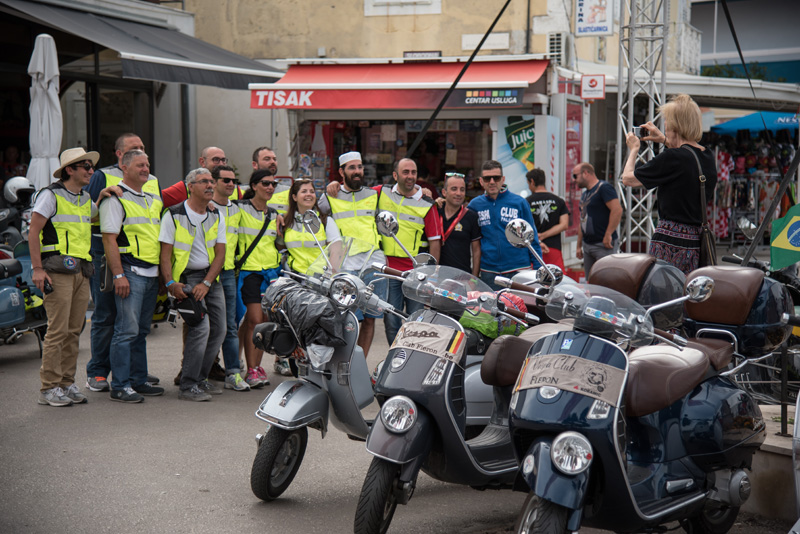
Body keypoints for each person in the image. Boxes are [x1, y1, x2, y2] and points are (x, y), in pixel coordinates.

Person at [84, 133, 161, 393]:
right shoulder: (103, 178)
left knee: (136, 329)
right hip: (110, 259)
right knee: (107, 317)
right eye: (135, 152)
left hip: (145, 265)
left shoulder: (152, 183)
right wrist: (117, 273)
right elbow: (91, 217)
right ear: (121, 157)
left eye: (143, 150)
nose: (143, 160)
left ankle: (133, 375)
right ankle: (99, 373)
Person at [29, 148, 98, 406]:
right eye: (86, 166)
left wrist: (106, 195)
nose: (91, 171)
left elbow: (97, 215)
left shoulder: (85, 196)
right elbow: (33, 231)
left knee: (73, 331)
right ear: (70, 169)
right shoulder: (51, 195)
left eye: (91, 167)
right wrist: (37, 269)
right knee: (57, 331)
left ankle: (66, 383)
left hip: (81, 270)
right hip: (56, 270)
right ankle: (49, 388)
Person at [621, 94, 717, 274]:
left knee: (665, 295)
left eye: (667, 121)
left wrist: (634, 149)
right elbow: (686, 159)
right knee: (688, 294)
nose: (664, 125)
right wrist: (664, 141)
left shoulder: (673, 158)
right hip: (695, 242)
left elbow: (628, 178)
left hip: (670, 242)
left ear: (676, 125)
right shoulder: (707, 155)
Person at [100, 149, 165, 402]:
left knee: (140, 331)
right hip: (130, 271)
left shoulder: (153, 198)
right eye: (139, 165)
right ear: (124, 168)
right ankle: (119, 386)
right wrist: (118, 276)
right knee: (126, 331)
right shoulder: (115, 198)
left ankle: (138, 381)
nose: (146, 169)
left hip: (150, 273)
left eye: (147, 164)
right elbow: (109, 239)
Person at [159, 168, 227, 401]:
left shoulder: (216, 214)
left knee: (220, 330)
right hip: (186, 280)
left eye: (211, 181)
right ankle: (188, 385)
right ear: (190, 186)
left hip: (210, 279)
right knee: (201, 329)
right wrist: (170, 283)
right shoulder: (174, 214)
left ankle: (200, 379)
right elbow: (165, 255)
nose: (210, 185)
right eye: (204, 182)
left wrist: (207, 282)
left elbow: (220, 254)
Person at [317, 152, 388, 356]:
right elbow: (306, 209)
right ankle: (345, 361)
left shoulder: (374, 194)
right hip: (346, 264)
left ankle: (360, 365)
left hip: (373, 263)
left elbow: (402, 192)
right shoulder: (329, 196)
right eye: (351, 168)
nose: (357, 171)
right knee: (347, 317)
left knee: (370, 317)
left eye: (359, 167)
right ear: (341, 172)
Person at [378, 159, 442, 343]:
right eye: (405, 172)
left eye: (413, 172)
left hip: (416, 273)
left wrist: (431, 276)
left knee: (415, 321)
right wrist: (336, 184)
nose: (410, 176)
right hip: (389, 271)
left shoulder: (427, 203)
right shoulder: (381, 193)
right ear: (395, 175)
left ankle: (412, 359)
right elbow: (356, 192)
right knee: (391, 320)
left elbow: (435, 243)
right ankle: (394, 358)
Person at [237, 169, 282, 388]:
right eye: (265, 183)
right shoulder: (238, 208)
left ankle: (257, 366)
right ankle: (251, 369)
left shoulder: (275, 215)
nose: (270, 188)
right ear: (254, 185)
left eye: (273, 184)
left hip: (272, 273)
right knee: (254, 320)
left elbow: (278, 244)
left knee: (264, 322)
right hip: (250, 272)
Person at [468, 160, 542, 290]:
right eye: (487, 178)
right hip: (489, 272)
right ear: (481, 181)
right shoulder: (474, 205)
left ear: (502, 179)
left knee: (520, 309)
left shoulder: (519, 203)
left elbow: (532, 238)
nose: (491, 182)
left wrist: (538, 270)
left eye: (496, 178)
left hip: (519, 270)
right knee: (492, 310)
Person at [209, 165, 250, 391]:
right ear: (214, 182)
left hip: (228, 274)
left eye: (233, 180)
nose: (231, 184)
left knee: (230, 327)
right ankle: (199, 374)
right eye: (225, 180)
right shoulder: (204, 207)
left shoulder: (237, 209)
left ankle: (233, 372)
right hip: (205, 273)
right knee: (205, 327)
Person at [279, 179, 342, 274]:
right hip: (294, 279)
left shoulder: (326, 221)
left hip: (319, 279)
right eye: (304, 191)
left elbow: (336, 252)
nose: (309, 194)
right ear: (294, 197)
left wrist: (329, 276)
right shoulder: (286, 222)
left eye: (312, 192)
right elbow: (280, 248)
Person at [573, 162, 622, 277]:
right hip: (588, 245)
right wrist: (579, 245)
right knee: (590, 281)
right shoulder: (585, 194)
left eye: (576, 176)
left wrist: (608, 234)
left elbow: (617, 210)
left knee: (605, 279)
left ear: (585, 173)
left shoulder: (604, 188)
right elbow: (582, 220)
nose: (574, 180)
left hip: (603, 245)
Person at [525, 168, 570, 271]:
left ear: (532, 181)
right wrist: (545, 235)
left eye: (528, 183)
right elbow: (564, 225)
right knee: (557, 280)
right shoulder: (559, 201)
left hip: (533, 250)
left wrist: (539, 237)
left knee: (534, 281)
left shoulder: (526, 202)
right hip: (553, 249)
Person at [437, 172, 481, 276]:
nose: (459, 193)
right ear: (444, 192)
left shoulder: (471, 216)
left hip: (462, 277)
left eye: (462, 189)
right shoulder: (435, 212)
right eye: (454, 189)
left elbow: (476, 251)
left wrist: (474, 278)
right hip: (436, 276)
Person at [161, 146, 231, 207]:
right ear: (202, 162)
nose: (221, 164)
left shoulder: (233, 187)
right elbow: (157, 200)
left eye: (223, 160)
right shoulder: (186, 187)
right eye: (216, 160)